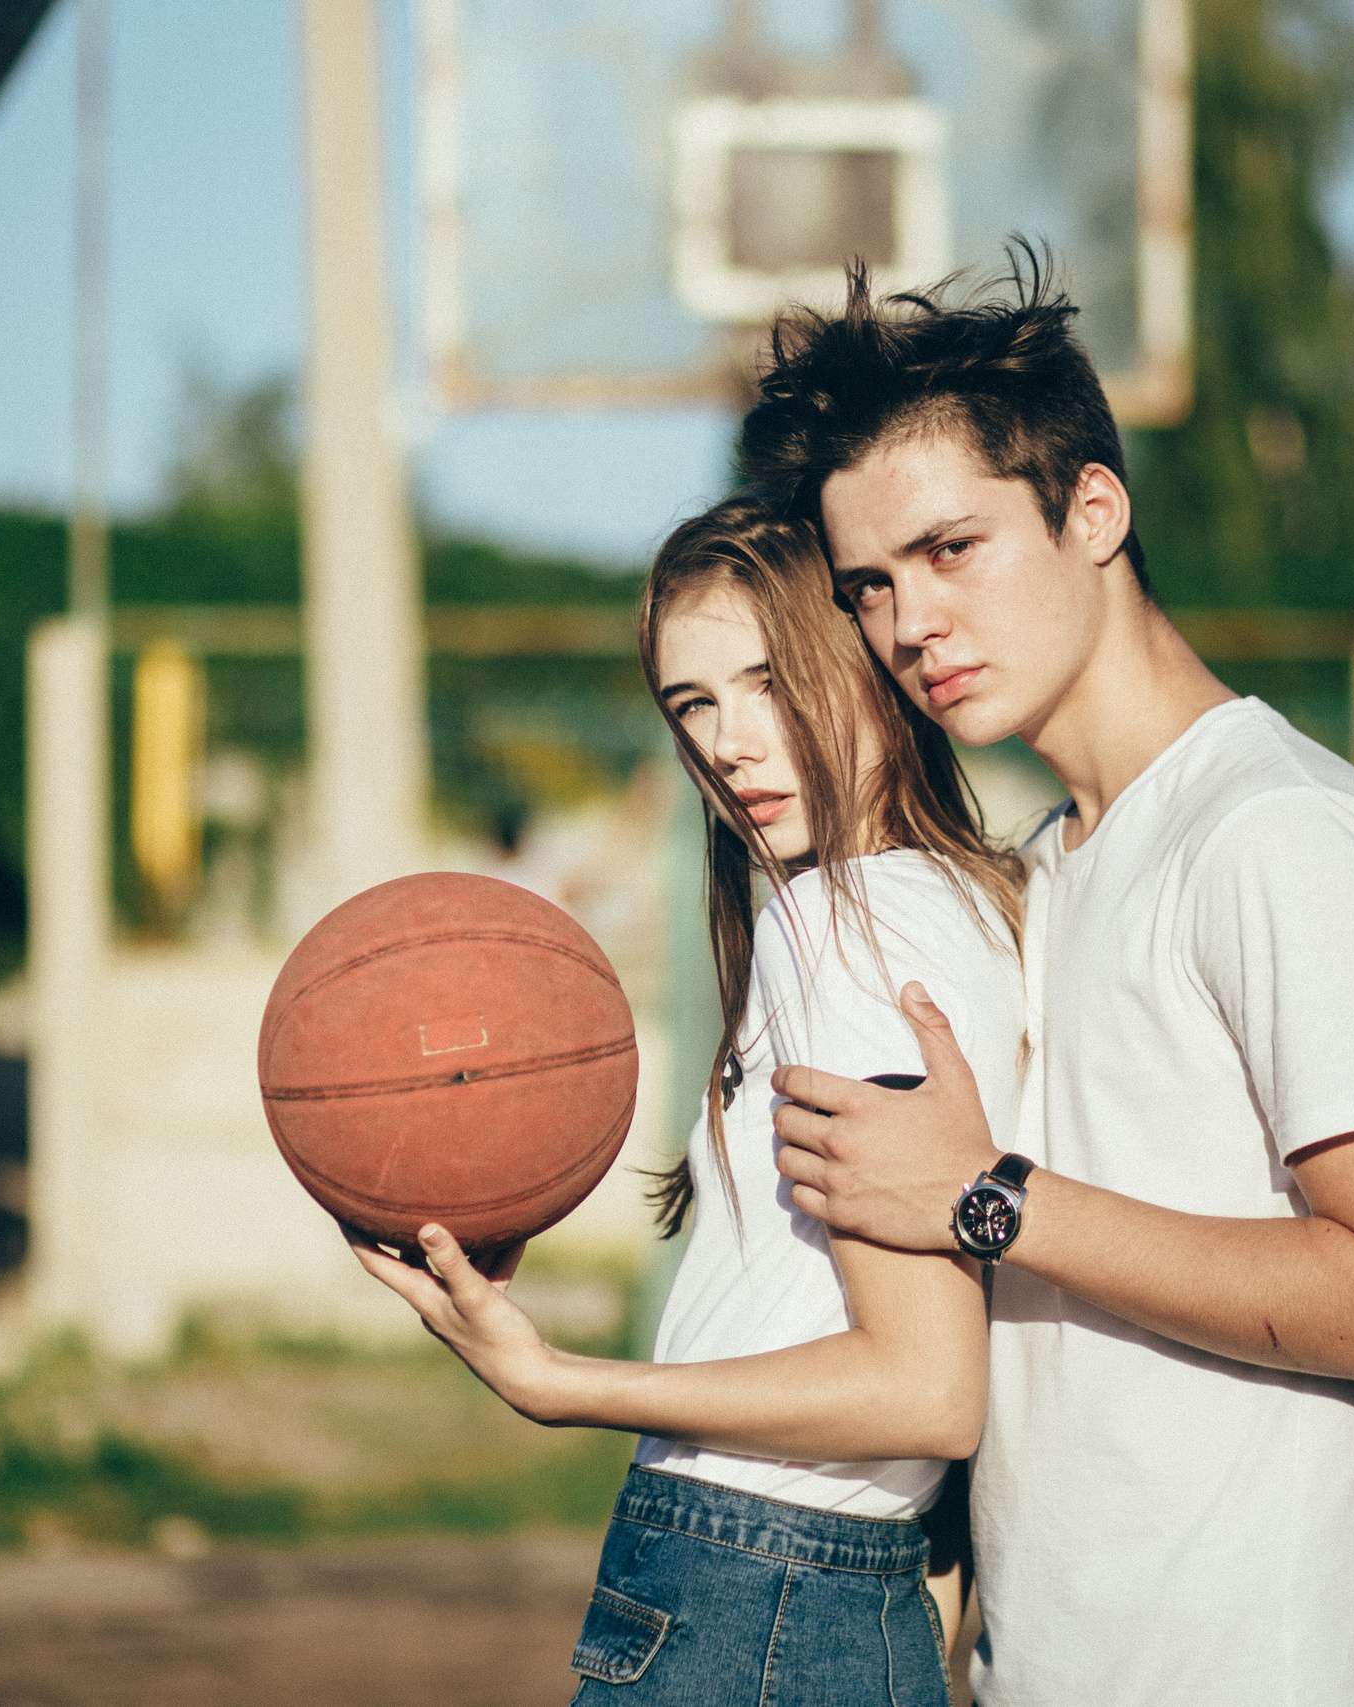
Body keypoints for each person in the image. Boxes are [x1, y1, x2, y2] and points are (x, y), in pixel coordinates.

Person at [740, 252, 1354, 1705]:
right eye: (873, 585)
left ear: (1095, 509)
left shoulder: (1273, 825)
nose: (911, 625)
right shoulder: (1048, 866)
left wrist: (986, 1195)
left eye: (953, 549)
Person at [350, 495, 1027, 1705]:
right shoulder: (955, 907)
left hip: (748, 1588)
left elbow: (928, 1385)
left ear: (874, 666)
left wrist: (566, 1383)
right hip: (814, 1595)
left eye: (770, 681)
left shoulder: (846, 928)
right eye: (693, 705)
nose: (729, 742)